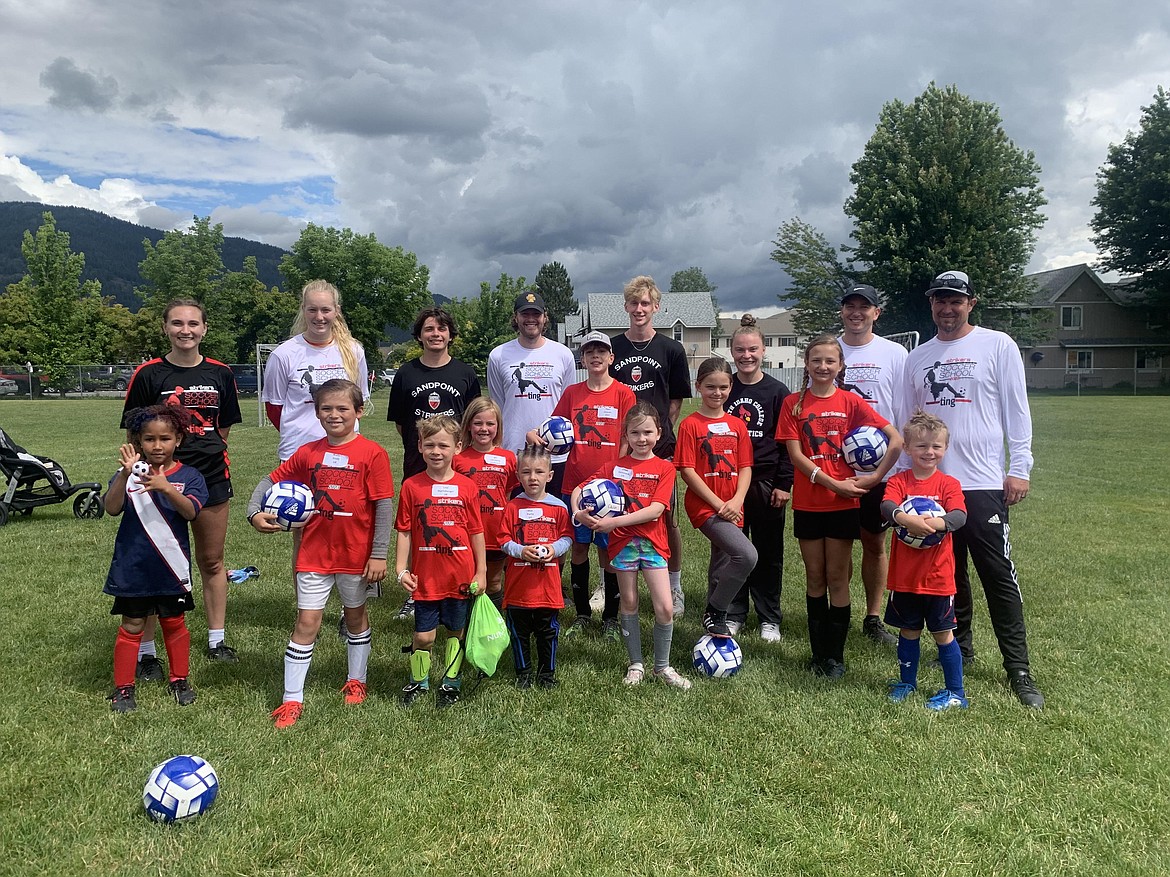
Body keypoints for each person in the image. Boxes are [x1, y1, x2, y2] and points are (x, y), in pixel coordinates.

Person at [903, 270, 1044, 708]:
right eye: (939, 301)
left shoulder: (997, 345)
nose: (947, 308)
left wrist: (1019, 467)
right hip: (934, 487)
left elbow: (1017, 410)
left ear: (971, 303)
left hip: (982, 482)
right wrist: (908, 480)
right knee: (950, 577)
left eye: (955, 301)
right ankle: (960, 650)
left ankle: (1017, 669)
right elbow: (911, 422)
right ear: (931, 306)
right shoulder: (918, 357)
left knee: (998, 576)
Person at [248, 380, 394, 728]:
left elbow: (384, 507)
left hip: (356, 555)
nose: (334, 414)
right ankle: (291, 699)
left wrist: (379, 554)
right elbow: (270, 480)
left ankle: (356, 680)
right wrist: (253, 511)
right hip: (314, 553)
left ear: (358, 412)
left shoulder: (372, 453)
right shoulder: (308, 452)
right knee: (306, 622)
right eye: (326, 408)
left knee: (355, 617)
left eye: (342, 408)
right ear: (316, 413)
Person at [121, 299, 242, 673]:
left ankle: (217, 638)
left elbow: (220, 429)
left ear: (205, 329)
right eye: (177, 323)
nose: (185, 330)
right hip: (158, 478)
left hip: (209, 476)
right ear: (165, 328)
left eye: (193, 323)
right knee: (155, 561)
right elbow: (135, 432)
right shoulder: (148, 374)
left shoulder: (221, 373)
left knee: (211, 560)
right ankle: (146, 651)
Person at [777, 335, 902, 678]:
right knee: (814, 577)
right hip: (809, 503)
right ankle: (818, 655)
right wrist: (831, 482)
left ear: (840, 366)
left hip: (843, 507)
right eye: (816, 360)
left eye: (830, 361)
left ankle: (835, 657)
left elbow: (896, 439)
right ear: (807, 363)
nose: (823, 367)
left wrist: (874, 478)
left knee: (837, 579)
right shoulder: (794, 404)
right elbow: (795, 455)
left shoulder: (850, 402)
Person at [571, 402, 690, 690]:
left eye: (648, 432)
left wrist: (614, 522)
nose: (642, 438)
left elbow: (656, 510)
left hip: (653, 545)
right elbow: (578, 488)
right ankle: (635, 663)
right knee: (629, 601)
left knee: (664, 607)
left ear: (659, 433)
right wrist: (578, 512)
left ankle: (662, 666)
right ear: (625, 435)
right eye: (635, 433)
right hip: (623, 546)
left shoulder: (664, 468)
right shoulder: (613, 468)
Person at [528, 330, 635, 641]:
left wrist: (615, 475)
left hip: (610, 491)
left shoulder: (623, 394)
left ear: (611, 358)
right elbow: (552, 428)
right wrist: (535, 435)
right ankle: (583, 614)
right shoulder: (573, 393)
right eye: (590, 352)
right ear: (583, 358)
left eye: (602, 351)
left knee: (609, 553)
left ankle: (612, 619)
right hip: (575, 485)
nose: (596, 356)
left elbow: (628, 438)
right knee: (577, 548)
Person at [104, 405, 208, 713]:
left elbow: (191, 512)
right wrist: (124, 476)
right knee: (133, 624)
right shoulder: (131, 473)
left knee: (174, 623)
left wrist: (166, 488)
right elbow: (111, 507)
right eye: (149, 439)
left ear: (178, 439)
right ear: (138, 441)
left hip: (172, 568)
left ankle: (179, 679)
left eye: (165, 438)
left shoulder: (189, 475)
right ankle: (124, 688)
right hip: (133, 565)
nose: (157, 446)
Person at [387, 306, 481, 621]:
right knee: (418, 525)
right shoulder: (406, 373)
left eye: (441, 329)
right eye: (429, 329)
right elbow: (402, 423)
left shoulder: (465, 373)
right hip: (419, 463)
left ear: (450, 335)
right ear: (419, 336)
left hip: (456, 465)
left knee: (454, 523)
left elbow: (472, 421)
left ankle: (457, 583)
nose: (435, 334)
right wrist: (425, 448)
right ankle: (417, 591)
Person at [609, 276, 692, 619]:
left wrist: (658, 435)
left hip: (659, 447)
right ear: (626, 307)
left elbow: (675, 400)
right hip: (620, 445)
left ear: (656, 307)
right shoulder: (613, 348)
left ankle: (674, 583)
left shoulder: (671, 349)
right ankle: (608, 583)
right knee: (615, 511)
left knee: (666, 516)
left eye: (646, 303)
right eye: (634, 303)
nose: (639, 309)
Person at [395, 415, 487, 709]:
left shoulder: (467, 487)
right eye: (430, 444)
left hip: (459, 575)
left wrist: (481, 570)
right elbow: (405, 531)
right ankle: (418, 681)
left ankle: (450, 682)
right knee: (423, 635)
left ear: (457, 447)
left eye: (443, 445)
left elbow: (476, 532)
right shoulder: (411, 486)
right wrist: (401, 569)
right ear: (420, 446)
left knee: (455, 631)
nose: (436, 451)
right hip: (426, 577)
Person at [882, 411, 969, 710]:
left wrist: (932, 524)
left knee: (943, 634)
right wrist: (905, 518)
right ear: (907, 448)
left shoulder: (949, 485)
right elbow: (887, 506)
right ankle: (907, 682)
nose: (929, 452)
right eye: (921, 447)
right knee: (908, 631)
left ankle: (956, 692)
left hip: (938, 578)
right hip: (905, 576)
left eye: (936, 447)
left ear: (945, 449)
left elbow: (958, 516)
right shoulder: (899, 481)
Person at [838, 283, 908, 647]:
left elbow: (903, 409)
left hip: (880, 469)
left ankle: (873, 616)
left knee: (874, 542)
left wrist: (898, 466)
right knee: (838, 543)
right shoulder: (829, 350)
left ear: (876, 313)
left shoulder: (895, 354)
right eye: (850, 306)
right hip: (836, 468)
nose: (856, 312)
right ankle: (840, 610)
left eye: (864, 306)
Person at [675, 357, 757, 639]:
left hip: (733, 504)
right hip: (706, 507)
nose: (717, 393)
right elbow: (687, 470)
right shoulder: (691, 425)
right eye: (710, 387)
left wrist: (736, 501)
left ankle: (712, 630)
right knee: (746, 555)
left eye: (723, 387)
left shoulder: (737, 425)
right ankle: (717, 609)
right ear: (698, 387)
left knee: (723, 561)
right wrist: (718, 504)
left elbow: (745, 467)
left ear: (731, 387)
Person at [726, 315, 792, 641]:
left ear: (763, 350)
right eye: (740, 349)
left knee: (768, 552)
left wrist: (784, 483)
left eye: (752, 349)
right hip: (728, 483)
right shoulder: (725, 387)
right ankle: (735, 611)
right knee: (734, 551)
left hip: (766, 483)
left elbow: (788, 443)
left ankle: (769, 617)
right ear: (731, 350)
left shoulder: (777, 391)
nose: (746, 355)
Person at [262, 280, 370, 461]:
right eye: (312, 310)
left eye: (325, 310)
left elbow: (357, 404)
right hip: (297, 453)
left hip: (344, 452)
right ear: (303, 310)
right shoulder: (283, 354)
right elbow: (274, 408)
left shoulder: (354, 351)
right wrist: (302, 432)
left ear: (337, 311)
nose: (319, 317)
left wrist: (338, 434)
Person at [498, 443, 574, 688]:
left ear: (549, 475)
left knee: (548, 633)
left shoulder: (558, 508)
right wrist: (521, 550)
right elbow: (503, 540)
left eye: (539, 472)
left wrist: (553, 549)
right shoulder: (512, 507)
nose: (533, 478)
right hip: (518, 587)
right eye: (527, 472)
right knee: (518, 634)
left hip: (547, 588)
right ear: (518, 475)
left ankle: (546, 675)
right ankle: (523, 674)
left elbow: (567, 538)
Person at [486, 291, 577, 471]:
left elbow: (569, 405)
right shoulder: (498, 355)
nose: (531, 319)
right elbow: (497, 406)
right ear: (516, 317)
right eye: (525, 314)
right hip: (513, 452)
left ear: (545, 317)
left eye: (536, 314)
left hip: (554, 453)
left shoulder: (563, 354)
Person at [454, 397, 517, 610]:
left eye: (490, 423)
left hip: (495, 532)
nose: (484, 429)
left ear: (498, 427)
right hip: (465, 533)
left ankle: (493, 626)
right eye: (478, 423)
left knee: (493, 581)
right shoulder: (457, 459)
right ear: (469, 425)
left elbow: (506, 493)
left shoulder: (508, 458)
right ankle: (465, 627)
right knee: (467, 581)